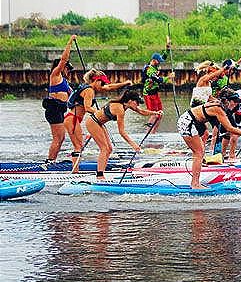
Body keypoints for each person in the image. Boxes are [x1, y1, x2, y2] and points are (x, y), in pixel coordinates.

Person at [176, 88, 241, 189]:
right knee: (199, 153)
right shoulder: (218, 109)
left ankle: (196, 177)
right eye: (234, 102)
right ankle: (195, 184)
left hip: (194, 122)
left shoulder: (222, 104)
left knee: (200, 152)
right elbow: (229, 128)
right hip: (187, 122)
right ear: (227, 101)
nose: (236, 104)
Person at [85, 89, 162, 181]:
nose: (138, 105)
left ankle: (102, 172)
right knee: (104, 149)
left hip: (99, 123)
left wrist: (155, 113)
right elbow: (121, 132)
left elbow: (141, 111)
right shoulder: (120, 109)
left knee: (109, 149)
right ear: (130, 101)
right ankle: (99, 176)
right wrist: (133, 145)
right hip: (93, 122)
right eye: (137, 102)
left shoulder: (126, 106)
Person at [64, 69, 132, 171]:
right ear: (96, 81)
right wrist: (100, 113)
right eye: (102, 82)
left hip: (74, 119)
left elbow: (109, 87)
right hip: (72, 119)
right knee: (78, 146)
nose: (103, 85)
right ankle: (75, 173)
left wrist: (124, 83)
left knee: (79, 145)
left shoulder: (90, 87)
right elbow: (87, 108)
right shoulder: (89, 90)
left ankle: (76, 170)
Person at [43, 34, 77, 162]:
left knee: (61, 138)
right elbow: (64, 59)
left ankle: (52, 160)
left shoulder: (65, 82)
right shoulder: (55, 75)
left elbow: (74, 96)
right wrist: (70, 42)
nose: (69, 71)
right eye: (68, 68)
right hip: (54, 108)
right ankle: (50, 162)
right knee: (58, 138)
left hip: (60, 110)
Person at [141, 40, 175, 133]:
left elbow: (163, 57)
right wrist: (169, 77)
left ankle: (153, 132)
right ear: (153, 60)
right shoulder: (149, 70)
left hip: (155, 93)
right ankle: (147, 132)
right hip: (148, 93)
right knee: (154, 114)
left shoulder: (155, 64)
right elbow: (158, 80)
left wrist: (167, 49)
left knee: (160, 114)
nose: (159, 62)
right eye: (158, 61)